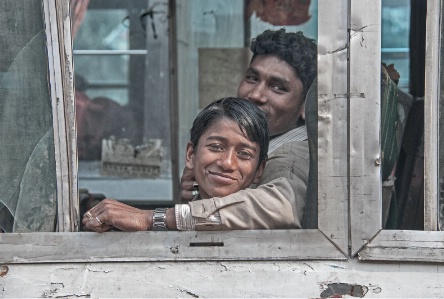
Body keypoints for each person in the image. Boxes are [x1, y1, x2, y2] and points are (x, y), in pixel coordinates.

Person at [83, 28, 317, 231]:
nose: (255, 95)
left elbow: (280, 207)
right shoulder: (260, 139)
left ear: (306, 106)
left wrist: (154, 218)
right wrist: (196, 193)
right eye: (252, 78)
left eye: (278, 88)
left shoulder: (297, 151)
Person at [83, 97, 270, 232]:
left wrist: (149, 218)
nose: (228, 163)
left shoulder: (267, 221)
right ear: (190, 154)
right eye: (216, 147)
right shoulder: (176, 221)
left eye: (244, 154)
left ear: (259, 170)